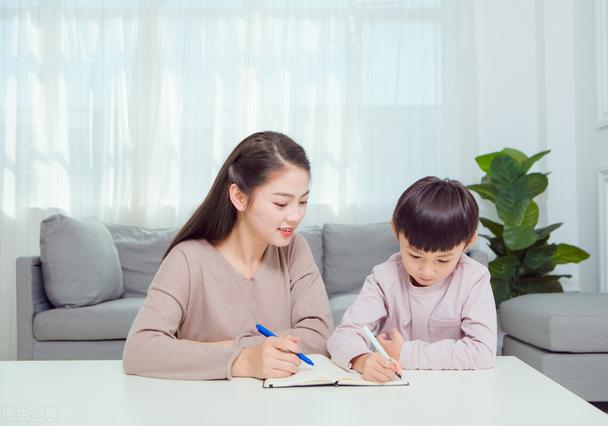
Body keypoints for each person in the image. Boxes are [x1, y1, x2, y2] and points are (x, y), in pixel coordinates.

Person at [123, 131, 333, 380]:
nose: (296, 216)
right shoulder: (187, 259)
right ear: (239, 198)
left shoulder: (295, 250)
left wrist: (219, 348)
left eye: (303, 202)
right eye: (281, 203)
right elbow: (140, 350)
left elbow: (320, 337)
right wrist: (244, 361)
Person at [327, 176, 496, 382]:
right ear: (395, 230)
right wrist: (362, 359)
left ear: (468, 243)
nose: (427, 271)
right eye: (415, 255)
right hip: (395, 387)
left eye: (443, 260)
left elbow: (483, 352)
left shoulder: (474, 279)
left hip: (455, 388)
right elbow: (342, 336)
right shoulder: (384, 277)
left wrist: (403, 353)